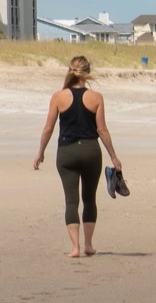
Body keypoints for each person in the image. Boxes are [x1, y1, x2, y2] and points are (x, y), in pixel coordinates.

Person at [33, 56, 123, 257]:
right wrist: (114, 157)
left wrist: (41, 152)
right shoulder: (96, 97)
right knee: (89, 199)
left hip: (67, 152)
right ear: (87, 72)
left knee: (71, 201)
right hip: (91, 151)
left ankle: (75, 248)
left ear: (70, 71)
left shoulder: (58, 96)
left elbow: (48, 128)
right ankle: (88, 245)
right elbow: (102, 130)